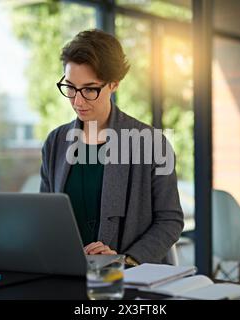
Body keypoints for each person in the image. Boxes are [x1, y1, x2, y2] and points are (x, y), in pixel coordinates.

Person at [40, 29, 184, 266]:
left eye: (89, 89)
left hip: (129, 278)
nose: (77, 101)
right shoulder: (55, 142)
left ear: (114, 84)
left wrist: (124, 261)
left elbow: (170, 220)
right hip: (68, 272)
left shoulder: (151, 142)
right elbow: (45, 216)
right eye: (70, 87)